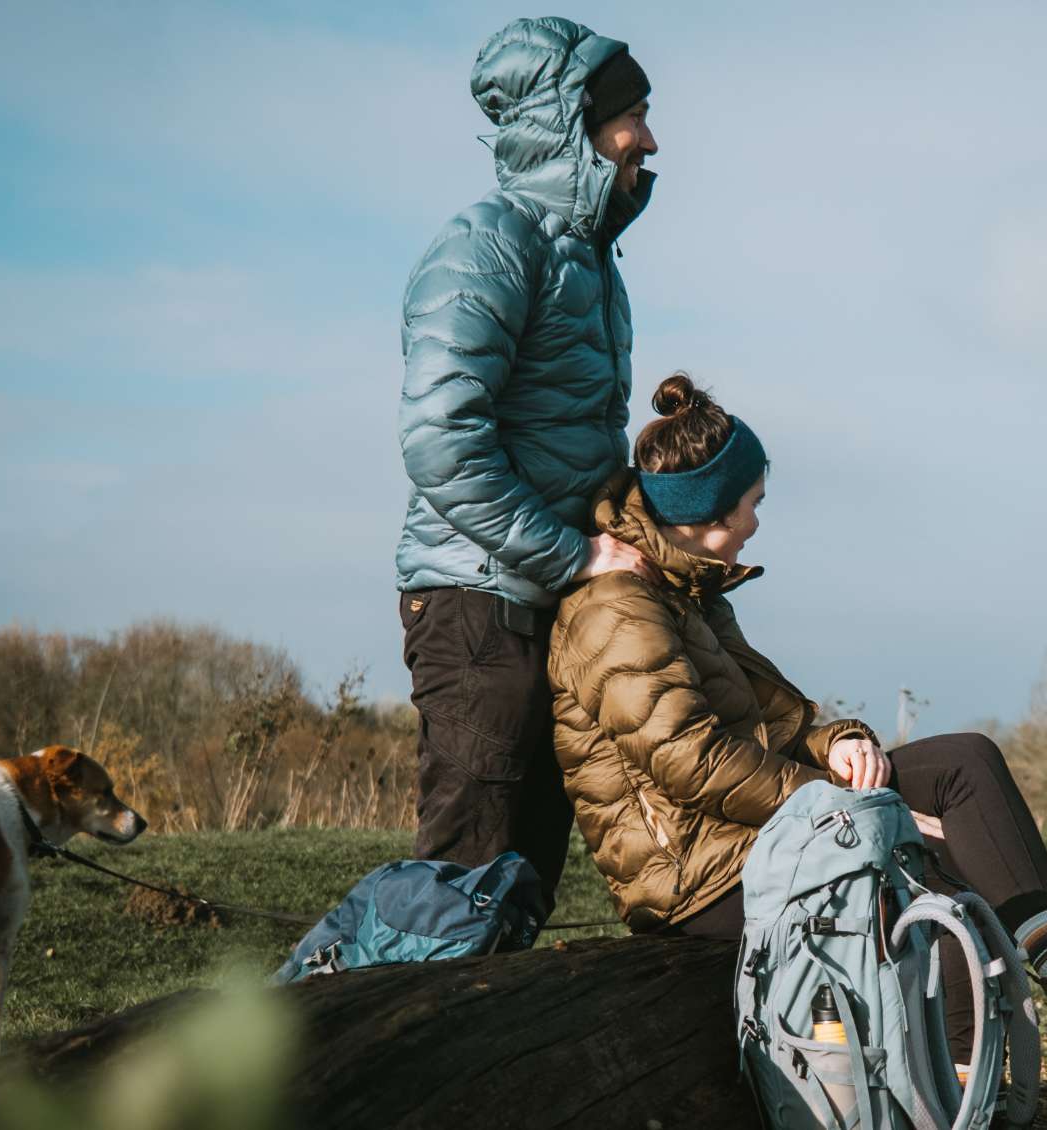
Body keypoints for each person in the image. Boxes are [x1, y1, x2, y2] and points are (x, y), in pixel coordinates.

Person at [548, 375, 1047, 1083]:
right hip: (698, 873)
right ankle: (962, 1096)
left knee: (965, 762)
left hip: (748, 828)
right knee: (928, 878)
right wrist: (853, 809)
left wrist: (840, 743)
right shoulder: (618, 610)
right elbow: (692, 762)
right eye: (754, 504)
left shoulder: (689, 590)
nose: (756, 522)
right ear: (710, 513)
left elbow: (778, 722)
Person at [395, 16, 659, 919]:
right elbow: (441, 438)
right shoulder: (489, 244)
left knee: (522, 885)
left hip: (542, 605)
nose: (650, 140)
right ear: (575, 121)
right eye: (633, 116)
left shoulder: (585, 256)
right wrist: (574, 554)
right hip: (478, 608)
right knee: (465, 889)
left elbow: (571, 442)